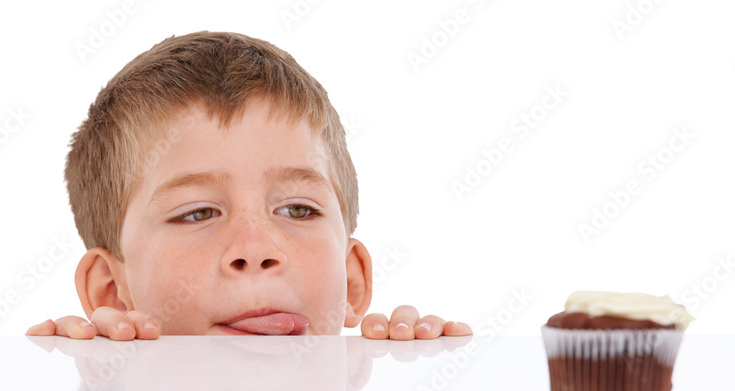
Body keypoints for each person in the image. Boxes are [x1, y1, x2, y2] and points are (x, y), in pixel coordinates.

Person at [26, 31, 471, 341]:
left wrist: (415, 372)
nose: (256, 249)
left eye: (298, 209)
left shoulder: (381, 387)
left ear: (352, 281)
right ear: (110, 292)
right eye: (197, 212)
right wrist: (85, 380)